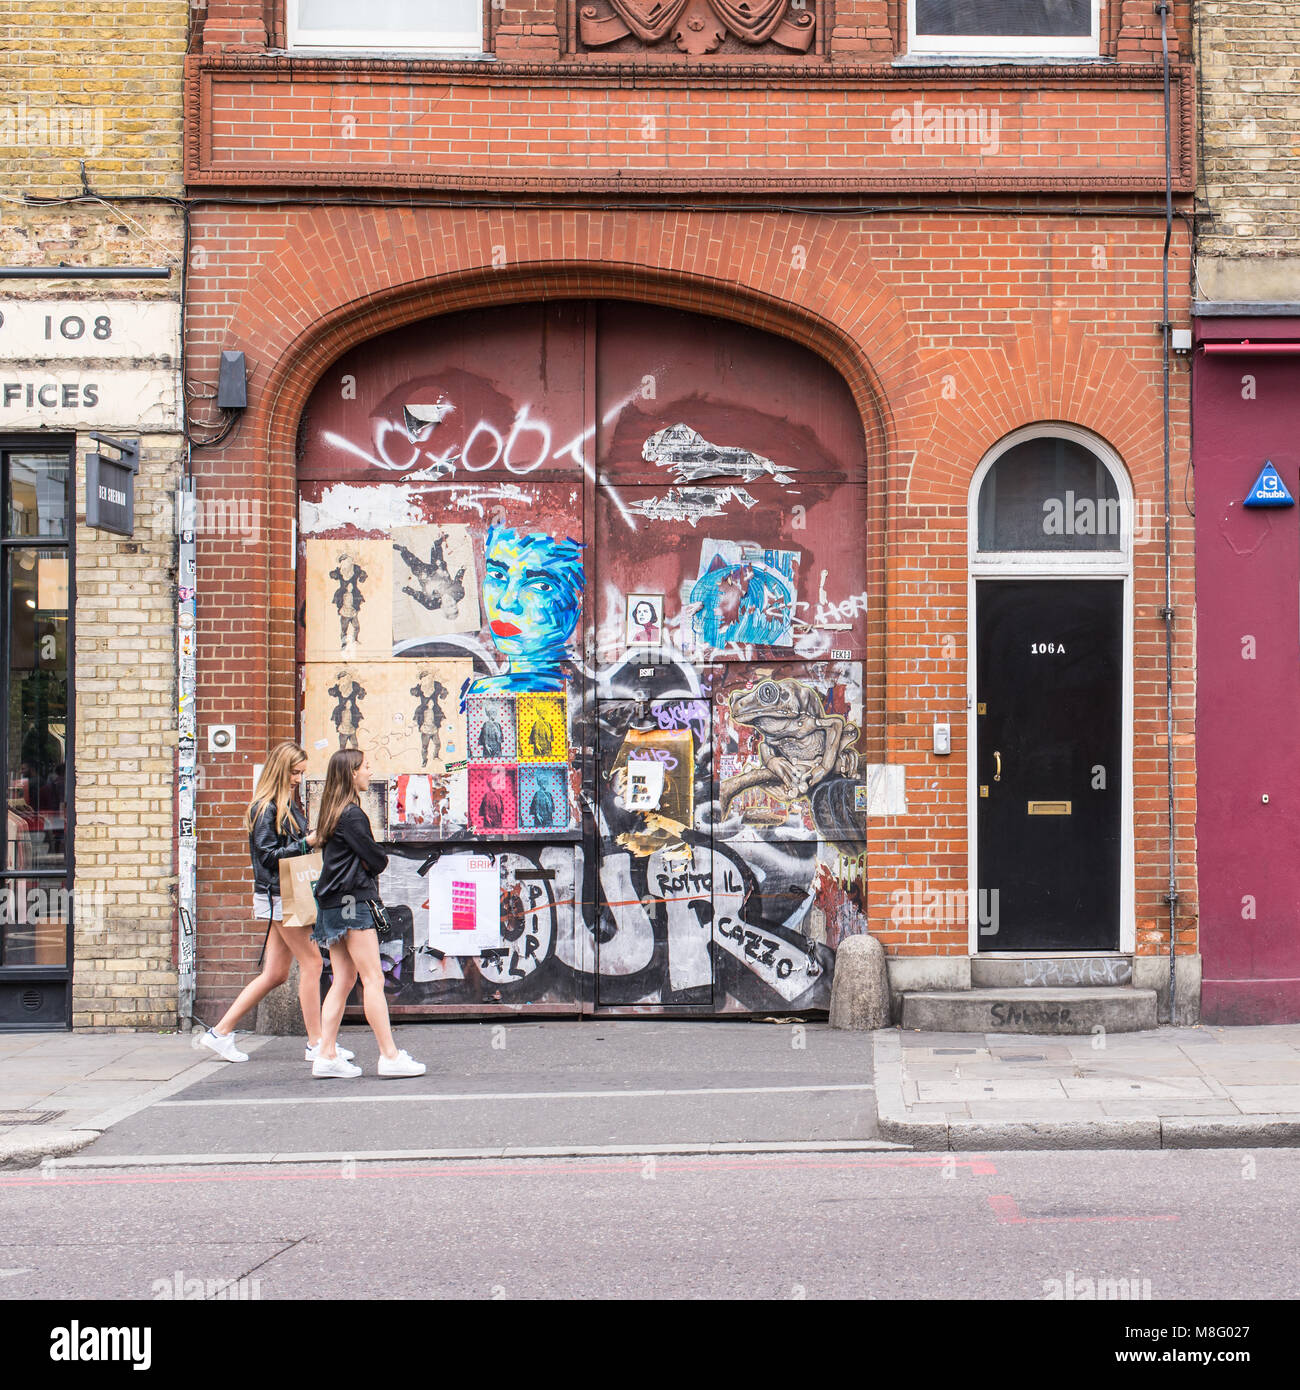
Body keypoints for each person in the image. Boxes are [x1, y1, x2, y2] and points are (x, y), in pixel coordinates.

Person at [198, 742, 351, 1067]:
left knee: (275, 973)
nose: (298, 778)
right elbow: (268, 857)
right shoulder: (265, 808)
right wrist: (305, 842)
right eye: (295, 772)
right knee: (312, 964)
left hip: (283, 895)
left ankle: (220, 1032)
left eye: (301, 772)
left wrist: (305, 839)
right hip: (280, 896)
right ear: (281, 771)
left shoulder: (283, 805)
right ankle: (316, 1043)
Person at [310, 749, 425, 1079]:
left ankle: (326, 1054)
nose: (369, 772)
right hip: (352, 904)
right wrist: (372, 859)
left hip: (331, 905)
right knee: (373, 978)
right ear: (351, 774)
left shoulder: (331, 813)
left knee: (343, 979)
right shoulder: (353, 815)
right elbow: (377, 859)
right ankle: (389, 1056)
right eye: (366, 767)